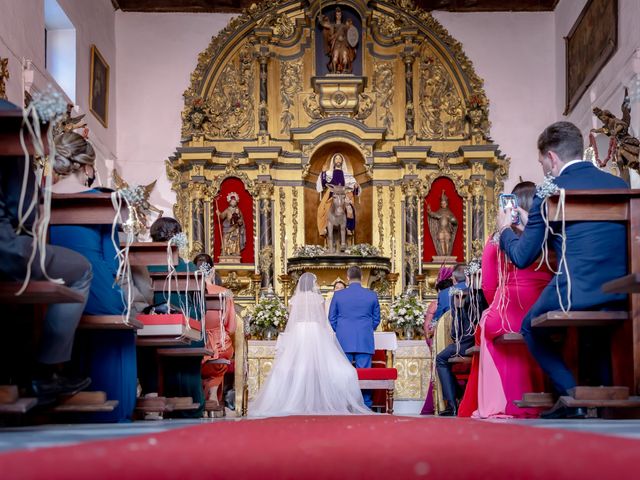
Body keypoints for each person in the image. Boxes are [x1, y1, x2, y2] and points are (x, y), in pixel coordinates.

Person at [498, 121, 628, 419]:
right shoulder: (618, 185)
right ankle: (601, 393)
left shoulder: (550, 192)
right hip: (623, 290)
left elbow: (521, 257)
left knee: (530, 326)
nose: (544, 168)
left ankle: (572, 395)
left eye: (543, 161)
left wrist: (506, 230)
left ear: (552, 157)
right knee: (595, 327)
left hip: (576, 290)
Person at [0, 100, 92, 403]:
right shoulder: (15, 125)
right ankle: (46, 372)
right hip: (4, 247)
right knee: (79, 270)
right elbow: (24, 214)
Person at [48, 132, 137, 422]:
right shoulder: (102, 200)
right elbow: (113, 260)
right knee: (120, 317)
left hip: (46, 283)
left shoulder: (38, 198)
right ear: (87, 167)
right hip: (94, 286)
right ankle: (114, 409)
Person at [460, 182, 551, 419]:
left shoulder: (498, 238)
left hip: (508, 313)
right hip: (545, 310)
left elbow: (488, 286)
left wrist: (500, 305)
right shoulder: (548, 233)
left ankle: (500, 401)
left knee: (487, 324)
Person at [249, 272, 371, 416]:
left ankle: (293, 399)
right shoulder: (318, 298)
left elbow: (291, 319)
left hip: (299, 331)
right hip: (315, 331)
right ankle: (321, 400)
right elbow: (322, 319)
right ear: (313, 284)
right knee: (320, 366)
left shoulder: (294, 300)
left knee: (296, 366)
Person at [140, 217, 205, 418]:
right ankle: (189, 401)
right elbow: (200, 309)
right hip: (188, 333)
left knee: (141, 341)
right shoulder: (191, 270)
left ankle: (150, 395)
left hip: (151, 333)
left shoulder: (144, 267)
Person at [328, 266, 380, 408]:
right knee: (364, 374)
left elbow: (331, 317)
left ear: (348, 277)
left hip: (344, 340)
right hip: (364, 338)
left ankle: (343, 404)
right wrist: (368, 329)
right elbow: (377, 319)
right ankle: (366, 404)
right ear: (361, 277)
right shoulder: (371, 295)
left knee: (343, 373)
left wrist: (340, 330)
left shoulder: (338, 295)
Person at [194, 253, 236, 409]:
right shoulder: (226, 292)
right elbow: (231, 327)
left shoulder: (188, 292)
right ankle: (212, 394)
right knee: (221, 355)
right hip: (220, 345)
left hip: (196, 341)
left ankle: (197, 393)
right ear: (212, 271)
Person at [420, 269, 453, 415]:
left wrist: (430, 340)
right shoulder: (457, 297)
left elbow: (429, 328)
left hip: (440, 341)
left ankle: (440, 403)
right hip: (457, 340)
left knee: (439, 369)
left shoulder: (435, 304)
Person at [316, 153, 360, 238]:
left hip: (344, 194)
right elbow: (321, 185)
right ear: (333, 161)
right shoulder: (327, 174)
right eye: (336, 159)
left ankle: (348, 228)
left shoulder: (348, 175)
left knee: (349, 209)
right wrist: (322, 178)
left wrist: (356, 187)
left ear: (342, 161)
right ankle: (324, 227)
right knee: (321, 209)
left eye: (340, 159)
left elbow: (355, 188)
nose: (338, 160)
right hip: (332, 194)